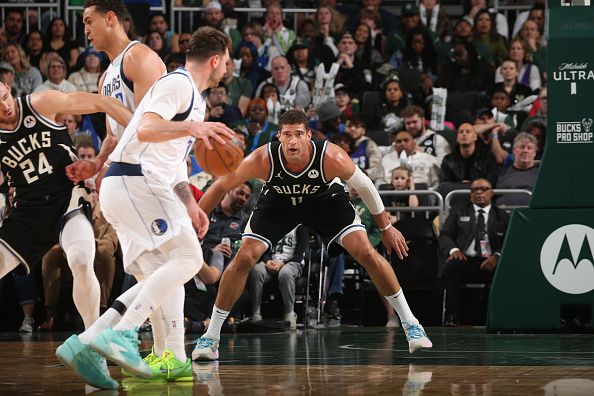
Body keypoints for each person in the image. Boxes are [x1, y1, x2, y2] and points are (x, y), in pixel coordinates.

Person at [56, 26, 235, 388]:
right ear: (216, 60)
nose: (228, 68)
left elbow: (169, 164)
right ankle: (122, 334)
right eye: (228, 61)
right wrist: (195, 128)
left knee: (158, 277)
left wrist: (191, 206)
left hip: (133, 185)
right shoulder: (179, 85)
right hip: (136, 181)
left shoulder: (193, 99)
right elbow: (147, 130)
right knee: (187, 259)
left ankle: (89, 342)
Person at [193, 109, 432, 362]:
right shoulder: (262, 158)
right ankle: (212, 336)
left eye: (298, 134)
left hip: (325, 201)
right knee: (243, 258)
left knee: (366, 253)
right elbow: (220, 186)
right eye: (287, 135)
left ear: (309, 136)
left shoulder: (331, 156)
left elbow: (365, 186)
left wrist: (385, 227)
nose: (293, 141)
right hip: (279, 202)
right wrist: (196, 223)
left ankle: (410, 323)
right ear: (279, 137)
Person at [0, 81, 130, 337]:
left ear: (8, 87)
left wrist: (137, 127)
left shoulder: (40, 104)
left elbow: (102, 102)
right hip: (29, 211)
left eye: (5, 96)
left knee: (82, 261)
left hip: (67, 197)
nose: (6, 106)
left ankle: (94, 342)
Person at [439, 178, 509, 325]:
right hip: (466, 259)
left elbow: (511, 241)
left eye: (483, 189)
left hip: (492, 260)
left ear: (492, 192)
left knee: (505, 270)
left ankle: (497, 317)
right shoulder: (458, 211)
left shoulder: (502, 215)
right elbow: (445, 235)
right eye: (474, 190)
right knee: (452, 266)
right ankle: (452, 316)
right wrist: (454, 250)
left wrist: (498, 256)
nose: (478, 192)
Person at [248, 225, 308, 330]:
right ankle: (256, 312)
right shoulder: (273, 225)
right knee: (256, 270)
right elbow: (264, 249)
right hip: (272, 262)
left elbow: (299, 255)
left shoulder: (300, 227)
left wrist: (283, 263)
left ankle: (289, 313)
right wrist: (267, 261)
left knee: (285, 273)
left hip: (292, 263)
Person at [495, 132, 539, 207]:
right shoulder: (501, 172)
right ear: (514, 150)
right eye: (522, 147)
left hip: (530, 215)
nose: (525, 150)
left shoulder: (540, 174)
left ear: (534, 153)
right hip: (503, 214)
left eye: (529, 148)